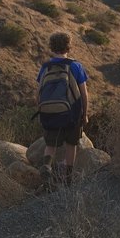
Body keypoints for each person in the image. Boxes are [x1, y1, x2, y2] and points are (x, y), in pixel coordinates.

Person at [36, 31, 89, 187]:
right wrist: (84, 114)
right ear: (69, 46)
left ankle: (46, 166)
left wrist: (42, 112)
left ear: (52, 47)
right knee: (70, 145)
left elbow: (38, 93)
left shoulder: (45, 67)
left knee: (50, 145)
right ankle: (68, 178)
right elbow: (84, 94)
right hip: (71, 113)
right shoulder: (76, 66)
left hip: (50, 113)